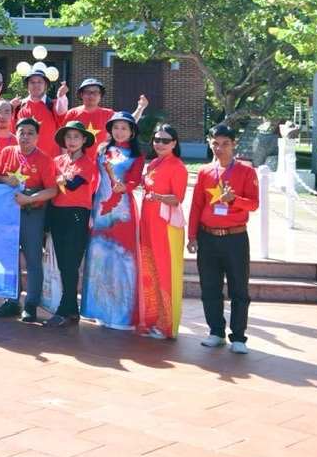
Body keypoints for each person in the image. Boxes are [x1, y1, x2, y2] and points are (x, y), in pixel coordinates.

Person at [188, 123, 258, 354]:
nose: (220, 148)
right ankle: (216, 332)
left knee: (239, 288)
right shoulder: (205, 171)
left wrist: (233, 200)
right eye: (215, 144)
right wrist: (192, 235)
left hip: (235, 238)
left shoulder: (247, 171)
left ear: (234, 144)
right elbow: (197, 205)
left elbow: (254, 204)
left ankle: (238, 337)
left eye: (225, 144)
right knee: (210, 287)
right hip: (207, 237)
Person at [0, 117, 58, 324]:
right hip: (8, 214)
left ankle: (30, 304)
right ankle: (11, 300)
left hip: (32, 213)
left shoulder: (44, 159)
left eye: (30, 133)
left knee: (33, 259)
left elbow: (52, 190)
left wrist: (30, 199)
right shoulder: (7, 152)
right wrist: (5, 179)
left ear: (37, 137)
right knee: (9, 257)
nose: (25, 137)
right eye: (22, 132)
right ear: (16, 134)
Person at [80, 111, 143, 330]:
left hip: (122, 211)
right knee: (99, 254)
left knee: (121, 257)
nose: (119, 132)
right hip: (100, 208)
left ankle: (121, 314)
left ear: (132, 132)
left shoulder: (136, 155)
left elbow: (135, 179)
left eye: (124, 128)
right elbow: (94, 177)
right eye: (116, 127)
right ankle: (98, 309)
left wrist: (126, 186)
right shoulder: (102, 150)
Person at [137, 123, 189, 339]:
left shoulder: (177, 166)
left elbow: (177, 198)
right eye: (157, 140)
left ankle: (167, 325)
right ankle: (152, 320)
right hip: (148, 223)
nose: (160, 144)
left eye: (165, 141)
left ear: (174, 143)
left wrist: (158, 197)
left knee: (165, 272)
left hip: (165, 227)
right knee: (150, 272)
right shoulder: (153, 164)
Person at [45, 120, 98, 327]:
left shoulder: (87, 163)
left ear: (84, 140)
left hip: (77, 215)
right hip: (57, 213)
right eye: (68, 137)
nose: (72, 141)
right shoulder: (57, 160)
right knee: (63, 264)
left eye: (76, 137)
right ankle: (72, 310)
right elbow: (50, 185)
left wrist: (60, 179)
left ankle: (63, 309)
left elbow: (74, 184)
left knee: (71, 263)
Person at [61, 77, 149, 153]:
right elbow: (63, 140)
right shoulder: (72, 114)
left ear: (100, 95)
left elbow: (128, 122)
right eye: (87, 92)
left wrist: (140, 108)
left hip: (101, 163)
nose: (91, 96)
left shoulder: (108, 114)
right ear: (81, 94)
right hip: (77, 163)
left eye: (95, 92)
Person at [13, 69, 68, 156]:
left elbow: (62, 111)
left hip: (51, 159)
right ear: (27, 85)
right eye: (32, 82)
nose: (36, 85)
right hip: (25, 159)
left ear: (45, 85)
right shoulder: (19, 106)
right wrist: (11, 107)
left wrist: (61, 96)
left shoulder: (53, 104)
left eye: (39, 82)